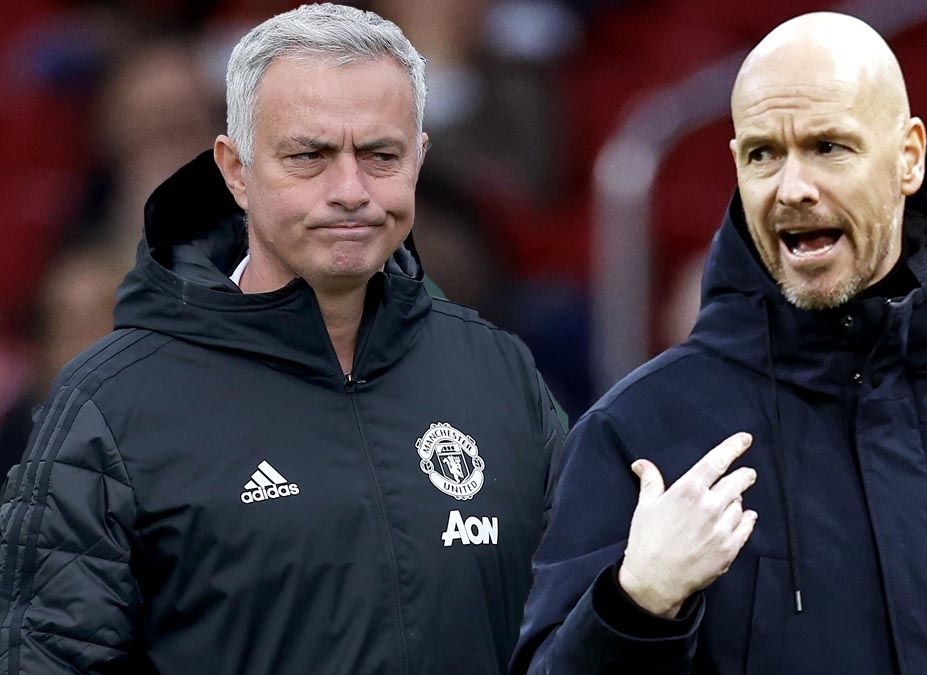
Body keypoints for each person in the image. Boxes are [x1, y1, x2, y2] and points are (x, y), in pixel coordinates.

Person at [513, 12, 927, 674]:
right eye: (763, 154)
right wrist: (634, 607)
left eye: (828, 147)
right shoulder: (642, 433)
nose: (793, 188)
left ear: (909, 158)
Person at [0, 4, 565, 673]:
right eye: (309, 156)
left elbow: (569, 629)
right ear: (236, 170)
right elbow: (49, 657)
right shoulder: (113, 403)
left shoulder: (499, 372)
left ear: (418, 160)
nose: (350, 191)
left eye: (381, 155)